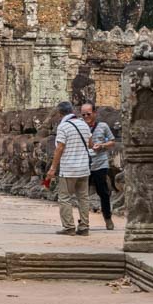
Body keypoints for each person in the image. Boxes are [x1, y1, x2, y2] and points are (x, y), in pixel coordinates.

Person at [45, 101, 93, 236]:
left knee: (65, 198)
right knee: (83, 198)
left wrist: (53, 168)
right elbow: (90, 144)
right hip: (83, 168)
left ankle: (69, 227)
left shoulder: (63, 127)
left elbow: (60, 148)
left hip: (69, 168)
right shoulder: (84, 124)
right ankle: (84, 226)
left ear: (60, 114)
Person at [81, 101, 116, 230]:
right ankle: (83, 220)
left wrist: (101, 145)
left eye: (88, 114)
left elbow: (112, 142)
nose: (86, 117)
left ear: (94, 113)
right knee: (82, 193)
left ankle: (108, 218)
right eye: (83, 114)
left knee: (103, 192)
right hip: (84, 163)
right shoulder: (80, 126)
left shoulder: (103, 126)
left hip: (100, 162)